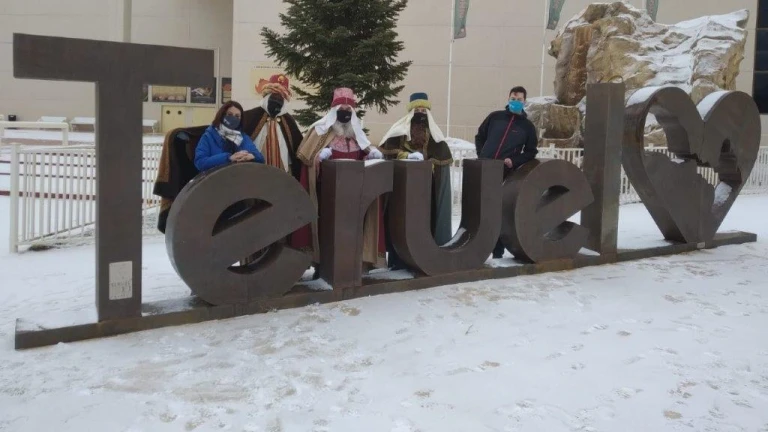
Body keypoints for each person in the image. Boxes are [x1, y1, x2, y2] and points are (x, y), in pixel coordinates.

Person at [296, 87, 387, 273]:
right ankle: (324, 266)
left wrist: (370, 156)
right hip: (328, 196)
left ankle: (353, 265)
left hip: (355, 196)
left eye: (348, 110)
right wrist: (319, 157)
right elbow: (307, 160)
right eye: (341, 109)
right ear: (333, 111)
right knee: (329, 231)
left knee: (353, 230)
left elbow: (362, 155)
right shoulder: (320, 131)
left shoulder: (356, 135)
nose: (345, 113)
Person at [380, 92, 454, 269]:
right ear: (411, 112)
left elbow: (441, 159)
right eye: (417, 110)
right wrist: (406, 156)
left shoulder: (435, 136)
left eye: (423, 110)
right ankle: (397, 259)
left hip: (425, 190)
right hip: (401, 189)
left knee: (423, 223)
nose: (420, 113)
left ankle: (423, 256)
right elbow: (389, 152)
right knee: (400, 222)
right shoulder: (399, 132)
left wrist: (428, 164)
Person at [475, 86, 539, 259]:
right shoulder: (495, 117)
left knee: (498, 212)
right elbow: (480, 136)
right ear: (508, 98)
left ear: (524, 101)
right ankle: (477, 248)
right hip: (485, 169)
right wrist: (482, 155)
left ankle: (497, 251)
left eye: (519, 99)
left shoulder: (527, 126)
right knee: (481, 210)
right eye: (513, 98)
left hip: (505, 173)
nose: (515, 102)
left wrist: (514, 161)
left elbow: (531, 151)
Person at [194, 101, 265, 172]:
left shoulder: (242, 137)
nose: (233, 118)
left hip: (238, 176)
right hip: (215, 177)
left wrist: (252, 156)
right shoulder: (208, 136)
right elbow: (200, 163)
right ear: (222, 115)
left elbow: (261, 158)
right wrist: (228, 158)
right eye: (230, 114)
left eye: (237, 116)